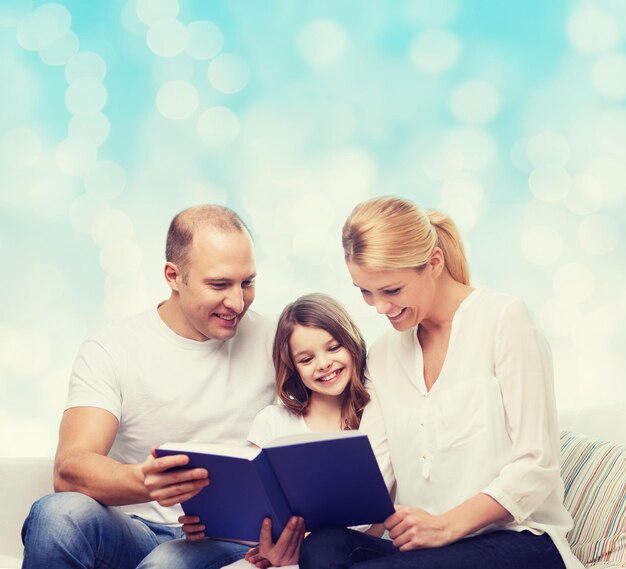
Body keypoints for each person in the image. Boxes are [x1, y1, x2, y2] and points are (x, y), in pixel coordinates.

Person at [299, 196, 584, 569]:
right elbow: (376, 472)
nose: (379, 307)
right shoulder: (384, 355)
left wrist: (446, 525)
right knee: (323, 546)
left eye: (392, 290)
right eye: (365, 292)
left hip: (521, 542)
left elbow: (537, 466)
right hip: (430, 553)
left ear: (434, 262)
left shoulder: (504, 320)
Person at [21, 205, 278, 569]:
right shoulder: (113, 348)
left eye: (247, 282)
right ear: (174, 276)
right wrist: (142, 481)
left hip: (229, 539)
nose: (237, 302)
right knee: (57, 515)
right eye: (219, 284)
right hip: (136, 529)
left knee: (165, 565)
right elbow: (69, 469)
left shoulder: (277, 341)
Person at [178, 293, 395, 568]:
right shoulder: (273, 422)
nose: (324, 364)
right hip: (280, 555)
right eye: (306, 359)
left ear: (352, 342)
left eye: (333, 347)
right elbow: (254, 509)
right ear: (292, 368)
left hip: (350, 554)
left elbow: (373, 523)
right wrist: (210, 525)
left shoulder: (376, 416)